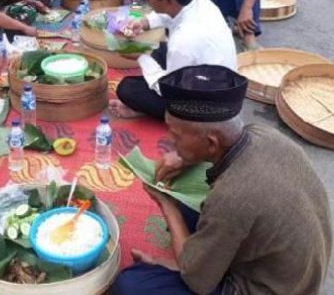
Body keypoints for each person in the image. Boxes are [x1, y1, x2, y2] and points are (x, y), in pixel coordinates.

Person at [112, 64, 332, 294]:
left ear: (211, 143)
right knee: (190, 207)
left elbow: (197, 282)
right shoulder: (262, 134)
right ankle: (194, 259)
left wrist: (166, 205)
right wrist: (185, 158)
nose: (170, 140)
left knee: (130, 285)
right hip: (285, 262)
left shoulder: (232, 196)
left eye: (176, 135)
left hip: (271, 288)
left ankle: (190, 264)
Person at [110, 0, 236, 120]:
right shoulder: (199, 0)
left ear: (168, 0)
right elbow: (170, 14)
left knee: (127, 89)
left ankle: (153, 112)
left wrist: (142, 57)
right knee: (157, 48)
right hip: (212, 74)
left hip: (210, 104)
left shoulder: (184, 40)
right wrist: (144, 22)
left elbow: (170, 90)